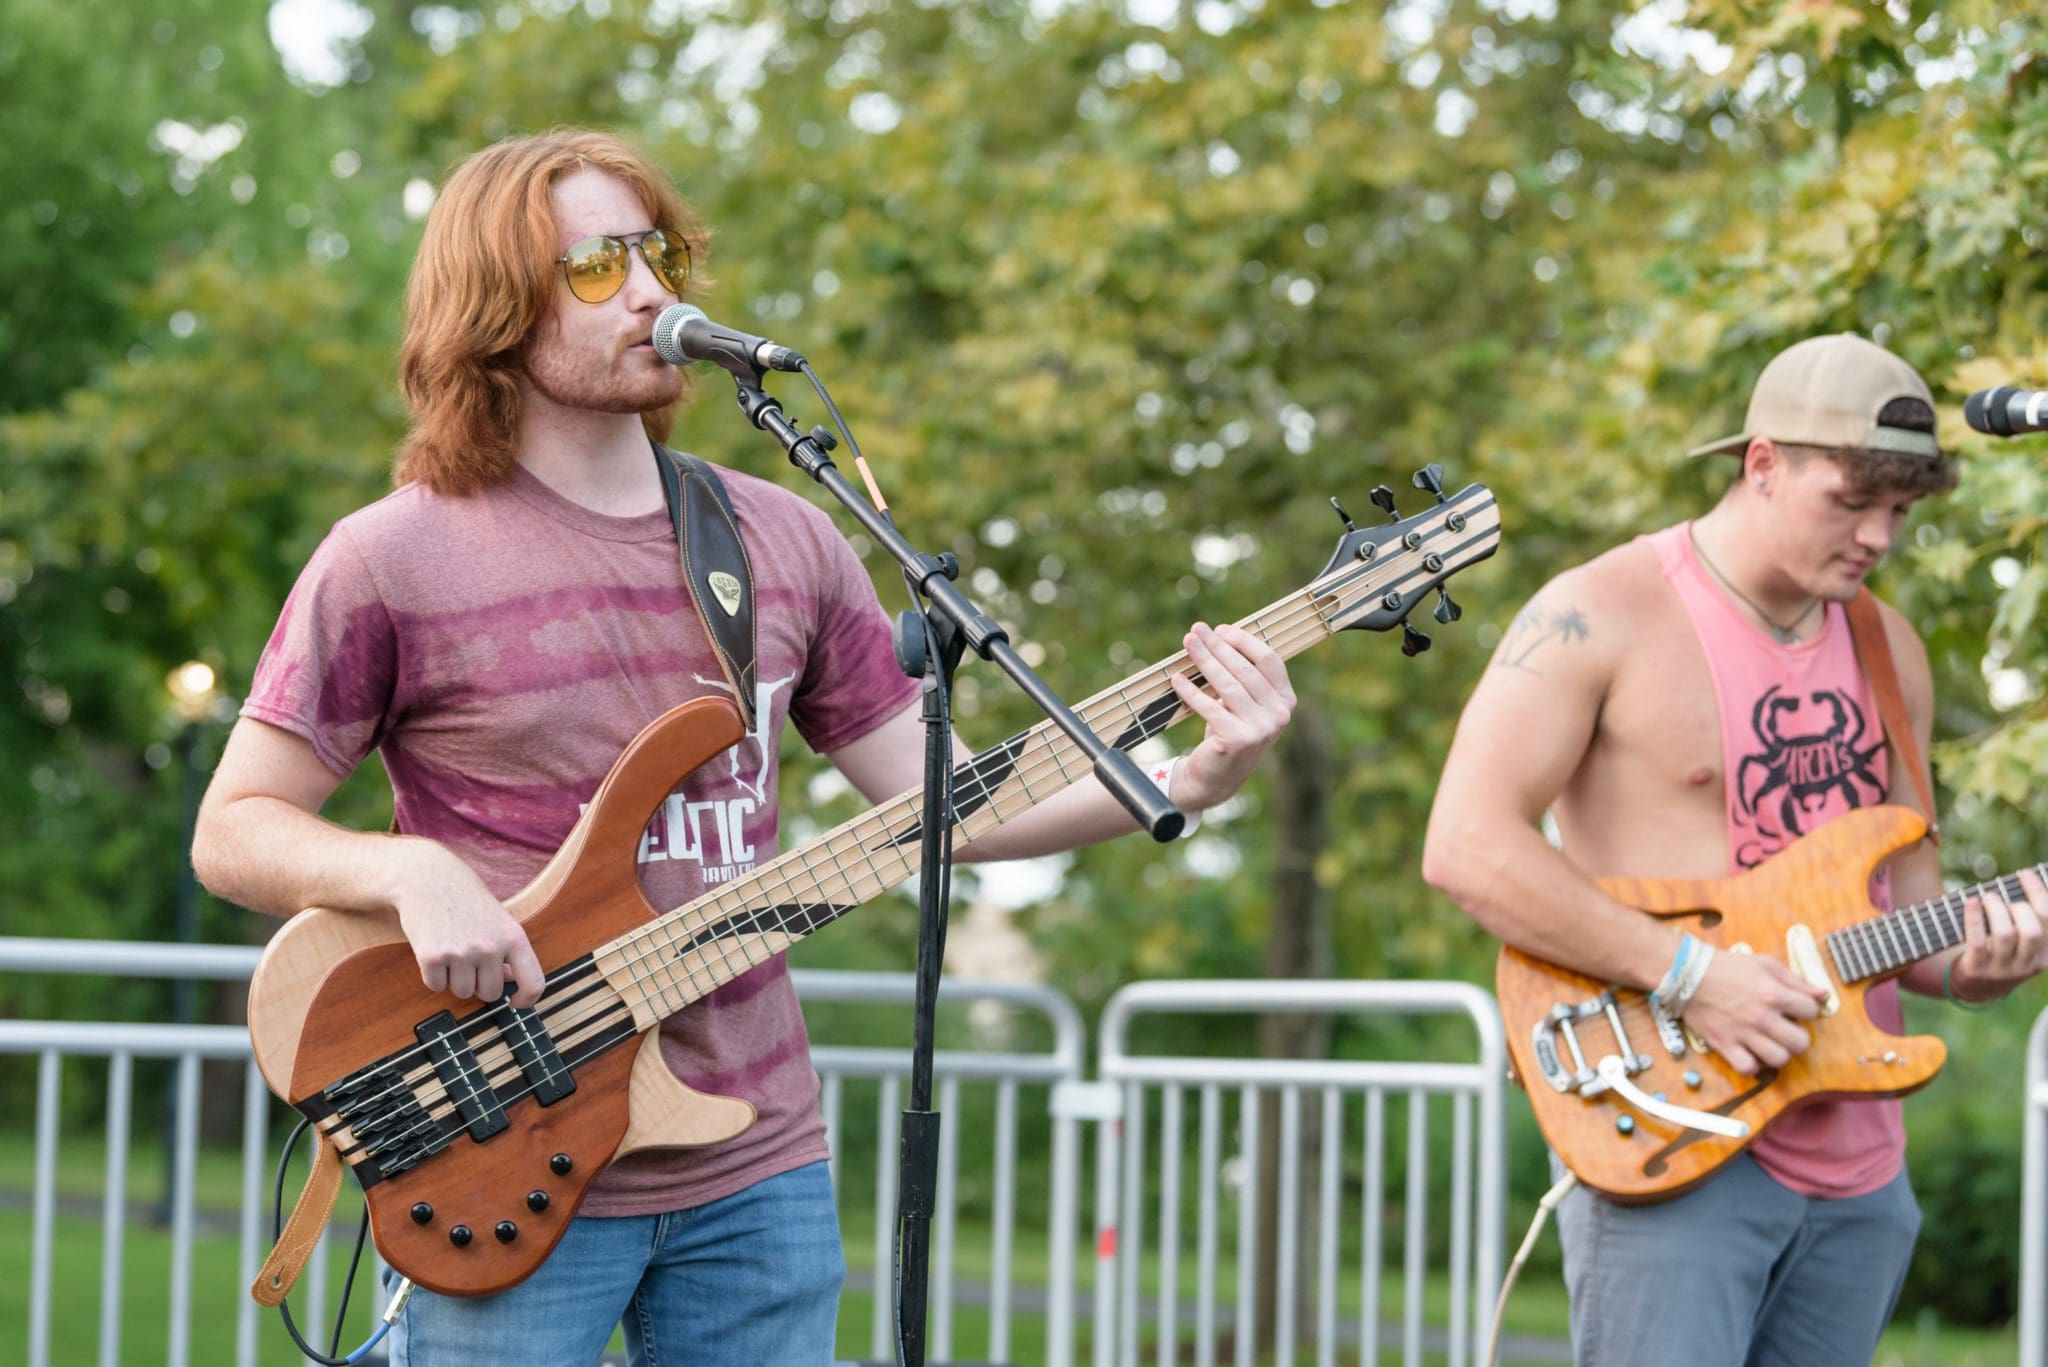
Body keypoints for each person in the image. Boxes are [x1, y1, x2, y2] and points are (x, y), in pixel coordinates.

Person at [190, 128, 1297, 1366]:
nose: (650, 291)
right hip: (504, 1145)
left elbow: (942, 803)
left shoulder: (781, 537)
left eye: (656, 253)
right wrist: (405, 871)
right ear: (495, 307)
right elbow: (232, 828)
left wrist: (1190, 779)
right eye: (597, 266)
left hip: (755, 1159)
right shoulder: (391, 556)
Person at [1421, 333, 2048, 1365]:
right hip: (1674, 1141)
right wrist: (1691, 973)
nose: (1878, 536)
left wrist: (1980, 967)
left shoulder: (1890, 647)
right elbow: (1464, 845)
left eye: (1899, 511)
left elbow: (1914, 921)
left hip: (1860, 1174)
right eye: (1851, 501)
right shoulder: (1597, 611)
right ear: (1762, 463)